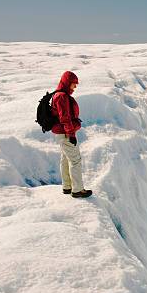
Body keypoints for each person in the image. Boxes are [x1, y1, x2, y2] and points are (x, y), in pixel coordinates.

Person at [51, 70, 92, 198]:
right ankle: (77, 190)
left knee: (65, 159)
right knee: (75, 160)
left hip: (62, 133)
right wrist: (71, 134)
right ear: (67, 83)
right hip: (65, 133)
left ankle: (67, 187)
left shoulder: (59, 95)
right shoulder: (62, 96)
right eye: (74, 84)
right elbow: (65, 118)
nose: (75, 87)